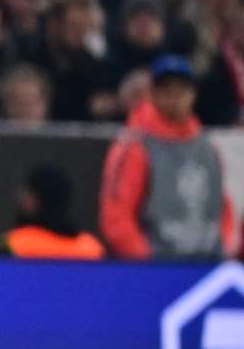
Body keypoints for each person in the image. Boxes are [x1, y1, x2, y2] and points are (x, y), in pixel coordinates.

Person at [100, 56, 235, 260]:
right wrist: (148, 260)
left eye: (181, 91)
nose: (175, 98)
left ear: (193, 95)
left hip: (208, 263)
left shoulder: (208, 147)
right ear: (153, 94)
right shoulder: (136, 145)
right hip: (158, 265)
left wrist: (224, 248)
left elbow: (223, 206)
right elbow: (117, 214)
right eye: (167, 91)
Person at [2, 164, 106, 259]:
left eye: (27, 193)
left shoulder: (12, 245)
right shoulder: (92, 248)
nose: (20, 198)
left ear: (33, 200)